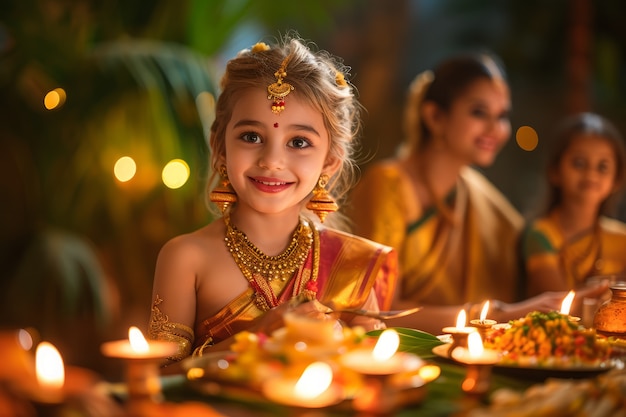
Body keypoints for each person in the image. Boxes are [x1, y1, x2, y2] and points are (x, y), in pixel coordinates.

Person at [147, 33, 397, 367]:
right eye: (252, 137)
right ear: (220, 146)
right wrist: (257, 339)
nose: (272, 160)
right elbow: (158, 381)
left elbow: (373, 374)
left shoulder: (351, 267)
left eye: (298, 142)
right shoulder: (185, 258)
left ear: (329, 162)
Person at [348, 52, 605, 335]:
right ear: (435, 117)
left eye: (502, 116)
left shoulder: (476, 195)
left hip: (469, 348)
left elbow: (529, 244)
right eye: (479, 113)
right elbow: (380, 312)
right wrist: (503, 315)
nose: (495, 129)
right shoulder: (389, 186)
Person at [522, 112, 626, 296]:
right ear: (555, 171)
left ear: (616, 179)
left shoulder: (620, 240)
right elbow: (560, 307)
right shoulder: (541, 236)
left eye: (602, 166)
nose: (591, 175)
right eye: (579, 163)